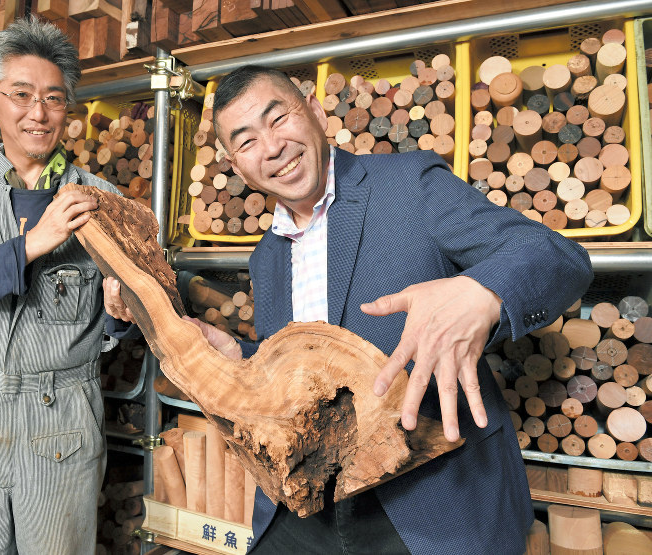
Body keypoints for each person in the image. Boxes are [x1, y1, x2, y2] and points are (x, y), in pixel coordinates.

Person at [188, 65, 593, 554]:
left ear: (315, 112)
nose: (272, 147)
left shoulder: (408, 184)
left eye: (279, 119)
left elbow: (556, 256)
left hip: (427, 502)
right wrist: (243, 356)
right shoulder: (267, 257)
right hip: (310, 502)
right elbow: (308, 364)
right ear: (236, 166)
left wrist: (482, 292)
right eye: (247, 141)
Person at [0, 16, 133, 554]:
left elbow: (132, 311)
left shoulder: (100, 198)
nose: (38, 113)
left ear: (68, 110)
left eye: (54, 99)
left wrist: (118, 313)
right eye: (21, 94)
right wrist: (39, 239)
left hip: (61, 411)